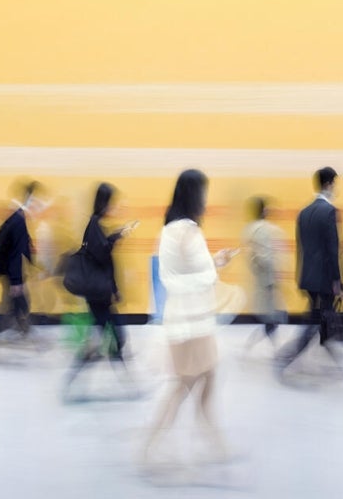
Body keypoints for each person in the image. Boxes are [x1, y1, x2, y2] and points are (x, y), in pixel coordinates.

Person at [142, 169, 238, 465]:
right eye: (204, 193)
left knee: (205, 382)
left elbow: (181, 273)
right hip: (192, 323)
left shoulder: (169, 230)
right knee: (184, 387)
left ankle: (217, 446)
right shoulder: (189, 231)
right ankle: (148, 448)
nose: (206, 200)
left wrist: (214, 262)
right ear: (195, 195)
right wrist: (215, 267)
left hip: (186, 320)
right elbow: (200, 276)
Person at [62, 183, 138, 396]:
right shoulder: (94, 224)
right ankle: (128, 384)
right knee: (113, 337)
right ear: (104, 203)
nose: (114, 207)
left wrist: (115, 235)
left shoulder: (96, 226)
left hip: (101, 295)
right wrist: (118, 237)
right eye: (112, 203)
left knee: (108, 338)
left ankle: (75, 380)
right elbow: (102, 254)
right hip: (98, 296)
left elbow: (102, 253)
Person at [277, 167, 343, 375]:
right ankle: (286, 358)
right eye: (334, 184)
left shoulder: (303, 213)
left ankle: (337, 360)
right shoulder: (330, 212)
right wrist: (338, 282)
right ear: (329, 184)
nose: (335, 188)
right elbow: (333, 250)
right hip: (325, 279)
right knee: (316, 320)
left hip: (307, 277)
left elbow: (302, 248)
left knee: (321, 318)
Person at [0, 181, 46, 341]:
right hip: (9, 270)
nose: (39, 207)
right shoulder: (19, 221)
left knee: (17, 303)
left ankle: (15, 330)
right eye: (36, 202)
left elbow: (24, 246)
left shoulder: (18, 219)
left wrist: (33, 262)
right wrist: (16, 282)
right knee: (16, 302)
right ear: (29, 201)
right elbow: (15, 253)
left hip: (6, 269)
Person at [242, 196, 286, 354]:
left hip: (260, 279)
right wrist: (273, 280)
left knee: (271, 319)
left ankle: (256, 346)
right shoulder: (263, 230)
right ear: (264, 210)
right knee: (272, 319)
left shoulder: (249, 229)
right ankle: (275, 349)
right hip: (267, 281)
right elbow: (265, 257)